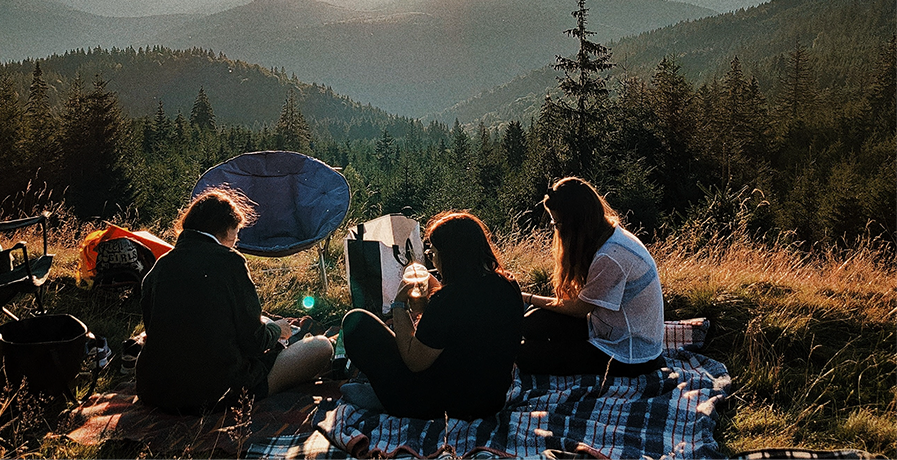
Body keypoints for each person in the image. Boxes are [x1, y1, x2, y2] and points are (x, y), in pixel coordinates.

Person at [137, 187, 334, 413]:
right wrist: (276, 331)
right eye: (236, 232)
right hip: (217, 393)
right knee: (321, 347)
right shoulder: (231, 262)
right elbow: (253, 343)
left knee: (264, 321)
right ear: (227, 229)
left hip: (156, 391)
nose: (236, 239)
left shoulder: (160, 266)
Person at [341, 211, 524, 420]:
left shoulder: (449, 301)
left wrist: (399, 304)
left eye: (433, 253)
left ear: (450, 256)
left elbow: (414, 361)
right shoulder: (508, 285)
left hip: (438, 406)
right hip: (491, 401)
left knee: (356, 323)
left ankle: (387, 398)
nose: (432, 258)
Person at [517, 177, 665, 377]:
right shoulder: (608, 236)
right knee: (532, 321)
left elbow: (578, 309)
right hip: (607, 327)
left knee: (527, 356)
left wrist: (527, 298)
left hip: (630, 352)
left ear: (575, 223)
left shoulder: (610, 256)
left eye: (557, 223)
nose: (556, 229)